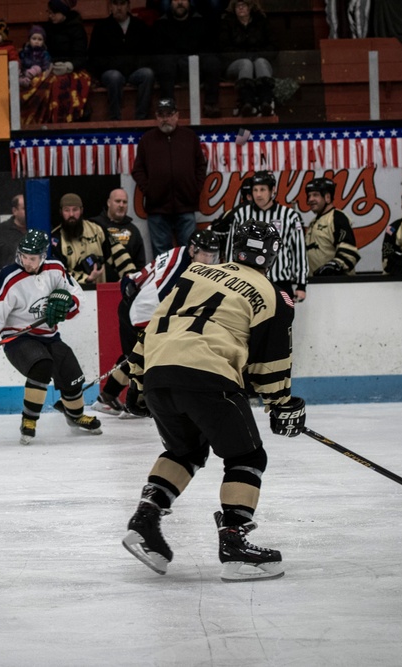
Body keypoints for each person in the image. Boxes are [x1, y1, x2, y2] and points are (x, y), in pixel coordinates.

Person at [121, 218, 305, 582]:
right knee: (247, 455)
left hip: (160, 373)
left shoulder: (195, 274)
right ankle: (234, 543)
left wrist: (139, 382)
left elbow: (156, 324)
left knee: (184, 452)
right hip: (209, 376)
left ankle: (145, 519)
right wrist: (281, 404)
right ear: (271, 255)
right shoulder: (272, 294)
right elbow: (270, 363)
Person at [0, 229, 102, 445]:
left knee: (72, 374)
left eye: (33, 258)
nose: (27, 262)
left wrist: (67, 304)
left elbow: (77, 297)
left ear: (43, 256)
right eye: (24, 257)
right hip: (18, 338)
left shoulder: (56, 269)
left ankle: (75, 416)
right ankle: (29, 420)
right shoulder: (8, 277)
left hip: (50, 336)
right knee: (41, 366)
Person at [92, 230, 220, 417]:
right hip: (139, 313)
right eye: (204, 254)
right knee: (144, 358)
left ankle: (108, 397)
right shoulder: (179, 267)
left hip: (138, 304)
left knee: (135, 356)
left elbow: (140, 276)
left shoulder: (182, 254)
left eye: (212, 256)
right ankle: (137, 402)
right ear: (192, 250)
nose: (208, 260)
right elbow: (164, 299)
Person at [215, 170, 308, 301]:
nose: (258, 194)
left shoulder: (290, 216)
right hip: (247, 282)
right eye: (255, 190)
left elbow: (298, 250)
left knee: (282, 321)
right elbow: (232, 247)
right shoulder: (241, 215)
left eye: (263, 189)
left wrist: (301, 284)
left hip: (280, 282)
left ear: (273, 190)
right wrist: (232, 278)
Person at [131, 98, 207, 256]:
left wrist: (195, 188)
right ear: (157, 117)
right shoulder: (147, 139)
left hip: (186, 205)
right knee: (161, 256)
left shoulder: (189, 137)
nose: (165, 118)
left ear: (177, 115)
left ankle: (187, 281)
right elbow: (137, 170)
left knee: (189, 252)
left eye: (169, 114)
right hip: (157, 207)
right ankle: (164, 281)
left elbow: (201, 165)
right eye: (161, 114)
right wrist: (149, 190)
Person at [21, 0, 91, 124]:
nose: (50, 16)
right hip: (47, 66)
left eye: (54, 13)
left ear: (63, 13)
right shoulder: (47, 28)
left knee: (58, 83)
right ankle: (34, 120)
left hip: (72, 69)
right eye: (49, 12)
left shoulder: (77, 29)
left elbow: (82, 57)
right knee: (36, 82)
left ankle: (60, 120)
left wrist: (69, 66)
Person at [151, 0, 223, 118]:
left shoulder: (201, 22)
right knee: (165, 62)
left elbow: (208, 48)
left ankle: (211, 104)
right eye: (176, 0)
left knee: (212, 62)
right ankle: (168, 106)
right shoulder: (161, 24)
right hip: (173, 69)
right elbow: (159, 50)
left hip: (198, 67)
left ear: (190, 2)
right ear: (170, 3)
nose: (180, 2)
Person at [87, 0, 155, 121]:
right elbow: (95, 57)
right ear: (110, 7)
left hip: (134, 72)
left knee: (147, 74)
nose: (119, 8)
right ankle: (115, 119)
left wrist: (132, 65)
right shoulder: (101, 27)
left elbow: (148, 53)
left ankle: (141, 118)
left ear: (128, 6)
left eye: (122, 4)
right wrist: (115, 65)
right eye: (115, 4)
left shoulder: (140, 26)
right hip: (110, 72)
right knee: (115, 76)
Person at [50, 192, 136, 285]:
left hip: (99, 292)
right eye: (67, 210)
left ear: (81, 210)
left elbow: (117, 253)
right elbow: (58, 273)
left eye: (75, 210)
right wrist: (86, 279)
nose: (71, 214)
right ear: (61, 212)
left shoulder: (97, 229)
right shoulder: (55, 239)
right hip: (71, 294)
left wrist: (129, 276)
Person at [219, 0, 276, 117]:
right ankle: (247, 102)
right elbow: (224, 49)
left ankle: (266, 102)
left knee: (260, 62)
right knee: (246, 64)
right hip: (235, 64)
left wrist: (257, 55)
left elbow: (273, 46)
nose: (240, 8)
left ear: (250, 7)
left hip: (259, 59)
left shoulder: (261, 22)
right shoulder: (227, 23)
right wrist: (246, 57)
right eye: (237, 6)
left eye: (243, 5)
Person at [303, 176, 359, 277]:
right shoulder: (313, 222)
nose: (310, 199)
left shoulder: (337, 217)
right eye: (309, 195)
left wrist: (333, 266)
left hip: (337, 284)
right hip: (316, 284)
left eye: (315, 195)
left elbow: (350, 254)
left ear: (327, 197)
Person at [91, 188, 147, 281]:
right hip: (97, 284)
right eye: (117, 201)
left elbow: (140, 265)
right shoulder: (94, 225)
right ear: (109, 203)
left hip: (125, 284)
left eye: (124, 202)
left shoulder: (134, 230)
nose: (121, 205)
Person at [0, 194, 27, 280]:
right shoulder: (2, 230)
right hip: (10, 284)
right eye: (24, 208)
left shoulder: (40, 228)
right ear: (15, 211)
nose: (29, 211)